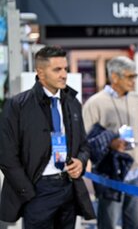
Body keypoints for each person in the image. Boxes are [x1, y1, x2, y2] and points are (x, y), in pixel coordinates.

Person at [0, 46, 95, 228]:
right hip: (37, 191)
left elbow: (84, 145)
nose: (64, 75)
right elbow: (6, 156)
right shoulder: (17, 106)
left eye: (65, 69)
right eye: (57, 69)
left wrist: (81, 162)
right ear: (40, 73)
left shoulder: (73, 103)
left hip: (68, 188)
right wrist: (28, 193)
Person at [83, 56, 138, 229]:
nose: (133, 81)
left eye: (135, 76)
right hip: (109, 173)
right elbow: (84, 139)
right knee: (108, 223)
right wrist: (110, 143)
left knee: (134, 223)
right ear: (114, 77)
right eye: (129, 76)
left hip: (135, 173)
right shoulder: (95, 103)